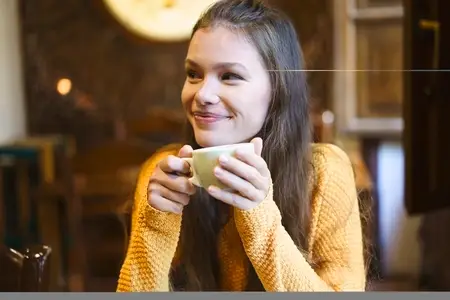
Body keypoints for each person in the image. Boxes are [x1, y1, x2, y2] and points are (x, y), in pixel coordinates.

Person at [117, 0, 366, 292]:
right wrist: (155, 226)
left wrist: (258, 214)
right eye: (193, 74)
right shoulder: (163, 172)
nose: (203, 94)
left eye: (230, 76)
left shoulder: (323, 172)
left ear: (277, 90)